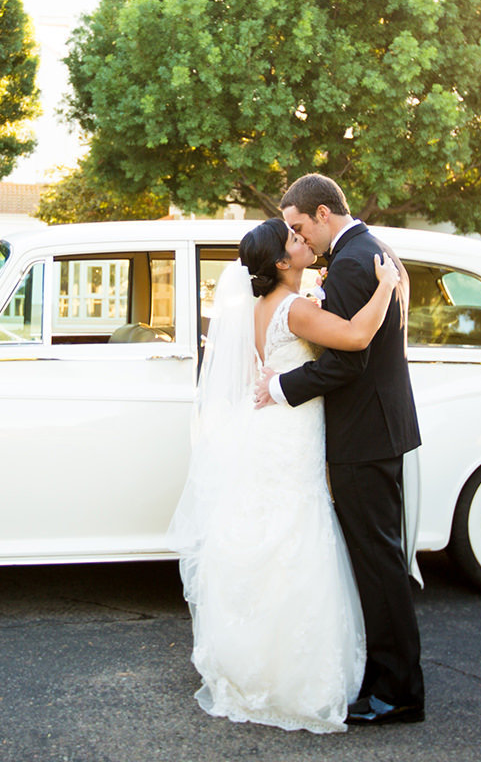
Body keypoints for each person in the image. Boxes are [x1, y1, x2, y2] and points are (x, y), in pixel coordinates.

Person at [169, 217, 401, 733]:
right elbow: (358, 336)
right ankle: (295, 673)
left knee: (272, 535)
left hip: (271, 429)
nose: (304, 241)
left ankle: (256, 659)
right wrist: (386, 286)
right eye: (294, 240)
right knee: (297, 535)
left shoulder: (261, 307)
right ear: (279, 262)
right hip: (292, 432)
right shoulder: (295, 310)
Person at [255, 173, 426, 726]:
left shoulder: (355, 261)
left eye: (299, 226)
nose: (297, 237)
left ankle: (397, 693)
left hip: (365, 432)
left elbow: (349, 357)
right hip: (372, 428)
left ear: (323, 214)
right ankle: (385, 679)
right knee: (378, 560)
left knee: (378, 562)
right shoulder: (365, 251)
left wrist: (281, 388)